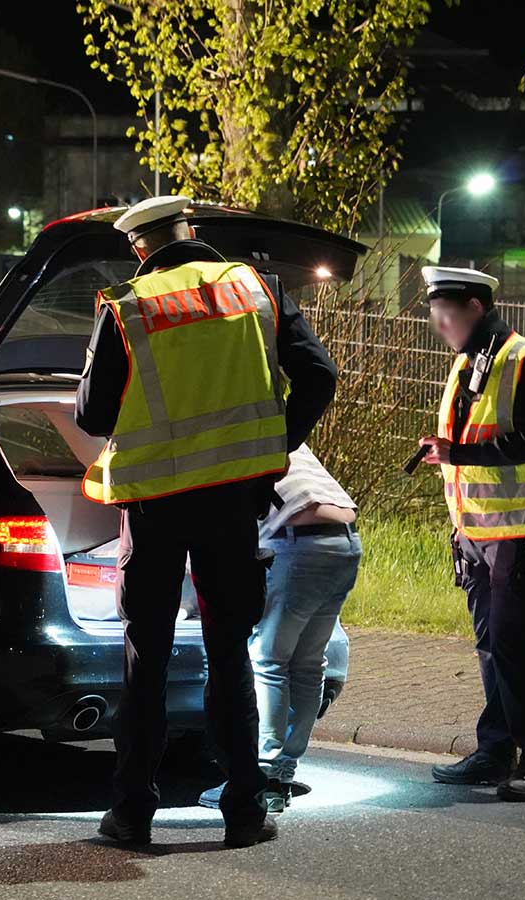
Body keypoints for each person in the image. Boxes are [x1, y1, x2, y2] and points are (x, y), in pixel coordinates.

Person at [77, 195, 337, 848]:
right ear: (193, 232)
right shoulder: (255, 289)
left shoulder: (129, 305)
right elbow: (319, 377)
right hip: (231, 505)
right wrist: (273, 447)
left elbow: (92, 415)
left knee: (149, 661)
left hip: (156, 509)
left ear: (141, 247)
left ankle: (132, 812)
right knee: (230, 657)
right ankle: (245, 811)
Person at [417, 265, 525, 802]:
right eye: (434, 312)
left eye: (446, 312)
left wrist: (456, 452)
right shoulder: (469, 361)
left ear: (476, 307)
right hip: (476, 529)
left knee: (510, 644)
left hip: (521, 530)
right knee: (490, 646)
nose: (439, 323)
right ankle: (495, 751)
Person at [199, 444, 360, 813]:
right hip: (344, 541)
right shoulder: (276, 427)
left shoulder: (226, 435)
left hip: (297, 544)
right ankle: (282, 774)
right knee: (307, 663)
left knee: (268, 659)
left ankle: (262, 776)